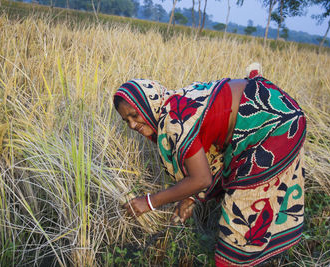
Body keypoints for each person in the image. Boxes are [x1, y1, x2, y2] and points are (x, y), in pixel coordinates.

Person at [113, 64, 306, 266]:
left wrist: (150, 202)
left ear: (147, 103)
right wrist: (189, 196)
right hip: (270, 105)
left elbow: (202, 178)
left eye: (134, 115)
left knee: (243, 217)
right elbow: (205, 153)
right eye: (126, 120)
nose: (132, 125)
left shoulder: (172, 121)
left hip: (273, 122)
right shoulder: (173, 104)